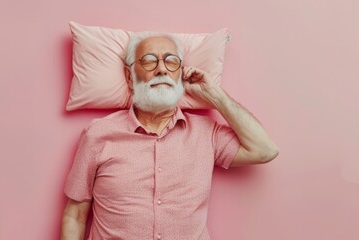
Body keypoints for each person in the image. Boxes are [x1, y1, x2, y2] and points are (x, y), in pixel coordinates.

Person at [60, 33, 279, 240]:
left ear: (180, 73)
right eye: (149, 61)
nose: (162, 69)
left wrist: (216, 96)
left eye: (171, 61)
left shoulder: (206, 133)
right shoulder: (98, 134)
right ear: (130, 76)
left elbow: (265, 150)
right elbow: (75, 214)